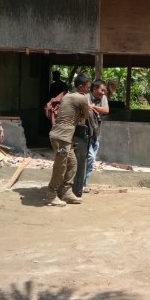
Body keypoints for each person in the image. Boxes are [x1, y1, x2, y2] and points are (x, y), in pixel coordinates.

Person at [46, 73, 91, 206]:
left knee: (72, 163)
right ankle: (51, 193)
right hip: (62, 138)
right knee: (61, 167)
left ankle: (66, 192)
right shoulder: (81, 98)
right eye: (88, 87)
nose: (89, 89)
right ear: (81, 86)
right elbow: (86, 116)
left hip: (63, 137)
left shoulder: (68, 95)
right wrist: (88, 107)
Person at [84, 79, 110, 192]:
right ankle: (80, 183)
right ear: (94, 89)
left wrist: (93, 107)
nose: (103, 93)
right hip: (86, 134)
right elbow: (85, 109)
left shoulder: (102, 98)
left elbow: (106, 110)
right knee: (90, 157)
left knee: (91, 160)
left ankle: (84, 183)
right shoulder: (85, 97)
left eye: (105, 91)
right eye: (101, 90)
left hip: (96, 134)